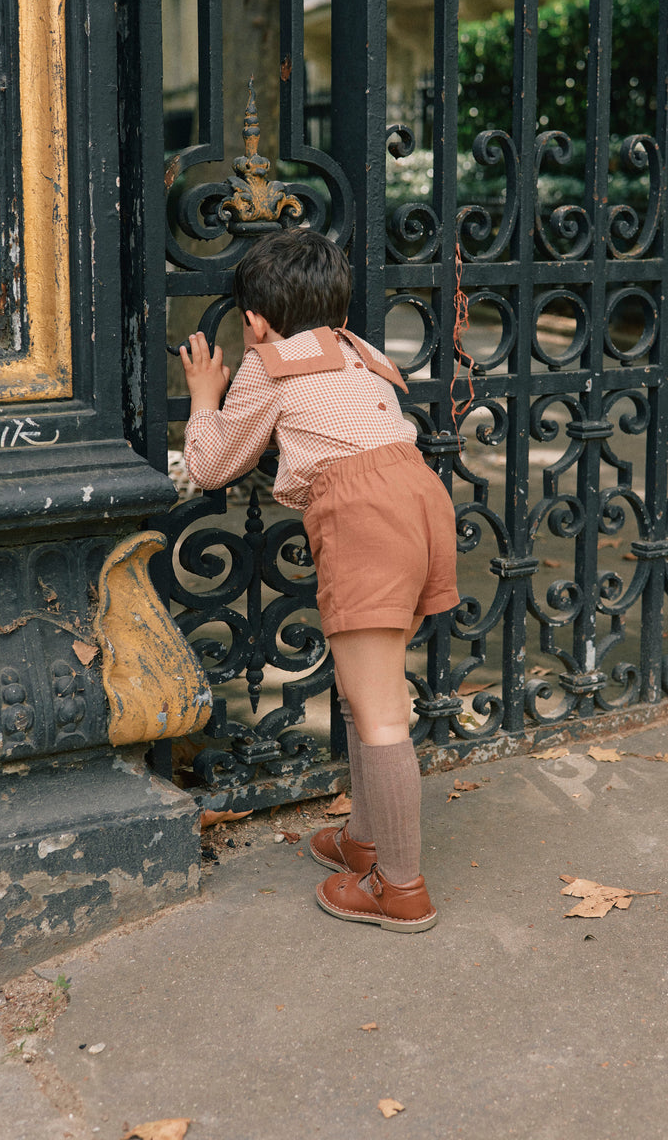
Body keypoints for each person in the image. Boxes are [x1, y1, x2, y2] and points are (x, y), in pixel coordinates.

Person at [180, 229, 460, 932]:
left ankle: (400, 889)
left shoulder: (267, 365)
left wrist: (203, 398)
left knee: (379, 705)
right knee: (363, 684)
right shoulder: (353, 350)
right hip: (419, 498)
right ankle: (363, 840)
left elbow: (214, 467)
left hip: (365, 513)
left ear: (255, 320)